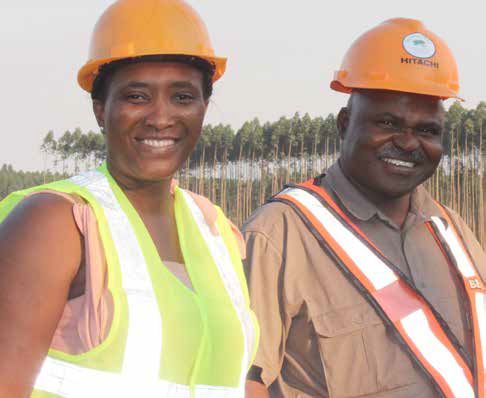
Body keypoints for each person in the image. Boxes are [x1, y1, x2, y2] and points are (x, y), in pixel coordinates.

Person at [0, 0, 258, 396]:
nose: (160, 117)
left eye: (183, 97)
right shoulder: (55, 222)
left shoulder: (217, 232)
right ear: (101, 109)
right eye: (137, 96)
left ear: (204, 108)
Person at [243, 18, 486, 398]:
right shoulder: (280, 234)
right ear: (344, 125)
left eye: (427, 131)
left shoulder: (449, 228)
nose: (408, 143)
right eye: (388, 123)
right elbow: (244, 380)